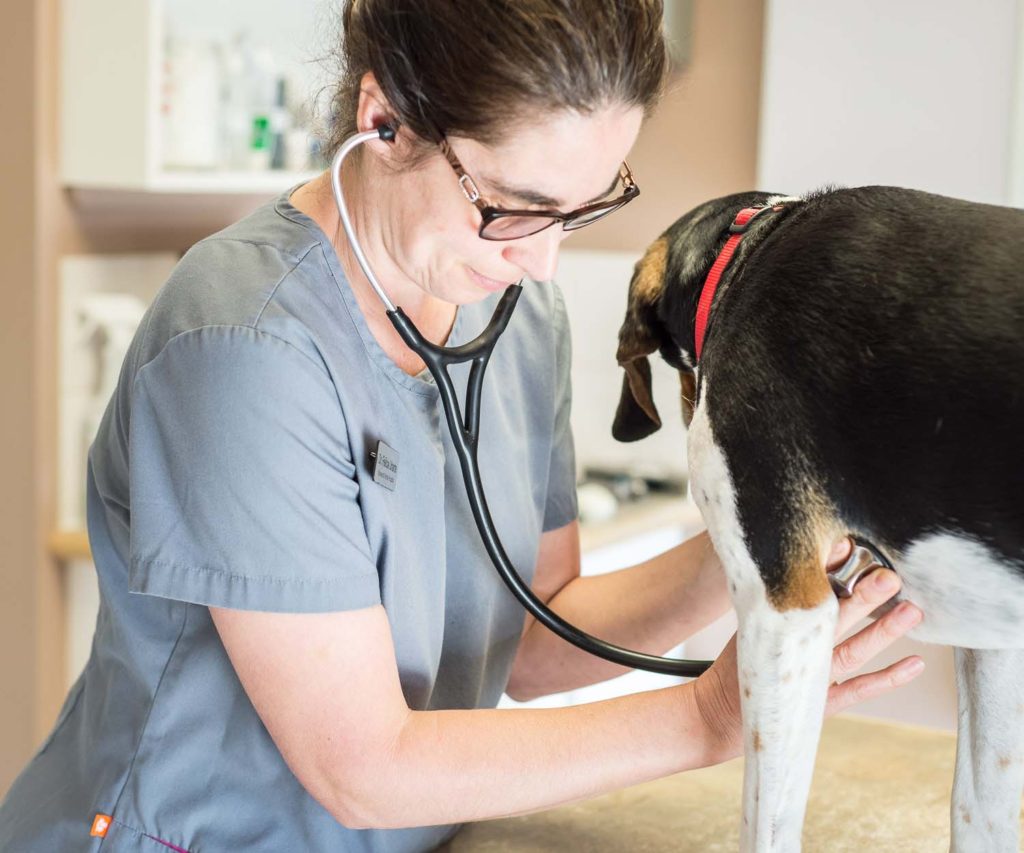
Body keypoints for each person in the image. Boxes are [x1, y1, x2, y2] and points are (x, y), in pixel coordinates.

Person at [0, 2, 925, 850]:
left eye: (583, 207)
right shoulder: (242, 345)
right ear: (385, 116)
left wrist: (765, 531)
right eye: (514, 207)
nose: (544, 262)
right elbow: (362, 767)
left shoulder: (518, 314)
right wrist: (710, 718)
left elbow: (532, 634)